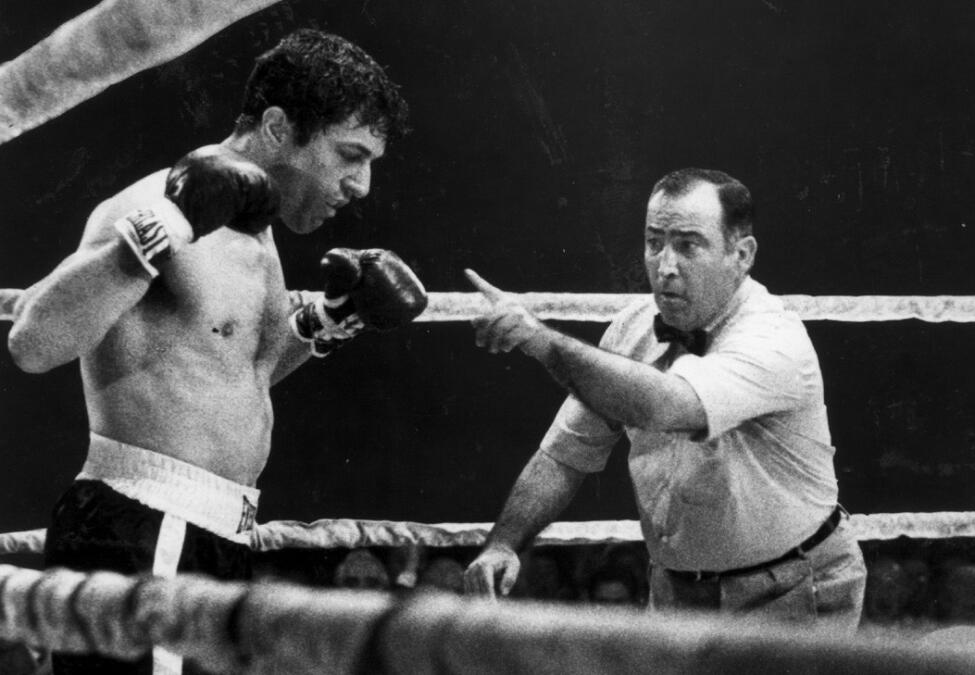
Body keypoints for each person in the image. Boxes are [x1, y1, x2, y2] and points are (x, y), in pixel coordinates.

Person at [7, 29, 425, 674]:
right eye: (349, 155)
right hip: (149, 525)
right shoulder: (160, 203)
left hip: (212, 531)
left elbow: (242, 371)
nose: (362, 185)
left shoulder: (253, 228)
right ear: (280, 127)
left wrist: (329, 321)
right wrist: (161, 231)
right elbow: (33, 341)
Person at [461, 168, 866, 634]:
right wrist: (504, 543)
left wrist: (542, 342)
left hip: (791, 587)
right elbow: (566, 455)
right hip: (677, 593)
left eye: (688, 245)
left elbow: (667, 405)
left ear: (742, 254)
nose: (665, 265)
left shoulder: (773, 337)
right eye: (655, 242)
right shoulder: (632, 329)